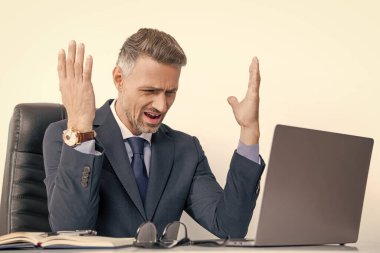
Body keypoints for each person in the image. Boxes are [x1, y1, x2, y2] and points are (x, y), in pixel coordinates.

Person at [43, 28, 265, 238]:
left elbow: (230, 227)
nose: (161, 105)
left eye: (170, 93)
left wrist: (249, 132)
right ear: (119, 80)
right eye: (150, 91)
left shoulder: (186, 150)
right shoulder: (65, 136)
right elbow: (70, 232)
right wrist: (82, 130)